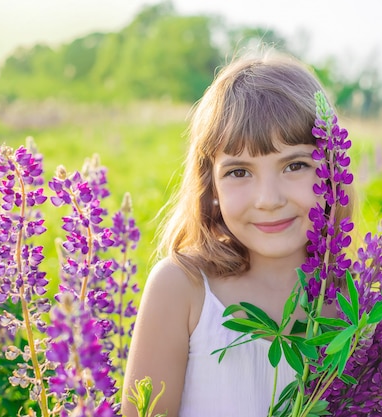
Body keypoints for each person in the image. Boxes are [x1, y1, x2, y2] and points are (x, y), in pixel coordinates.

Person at [121, 50, 353, 417]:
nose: (269, 199)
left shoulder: (355, 303)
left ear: (334, 173)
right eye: (239, 172)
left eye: (295, 165)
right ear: (210, 187)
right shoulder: (183, 289)